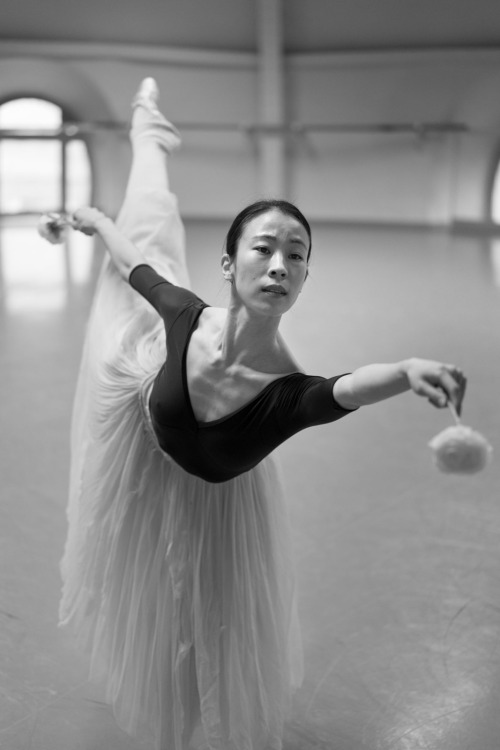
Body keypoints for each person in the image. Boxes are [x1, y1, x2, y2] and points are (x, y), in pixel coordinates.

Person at [59, 78, 466, 750]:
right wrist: (96, 222)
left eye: (297, 255)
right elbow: (137, 264)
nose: (280, 264)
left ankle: (147, 143)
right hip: (140, 416)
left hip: (212, 499)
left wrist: (404, 370)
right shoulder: (187, 314)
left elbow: (342, 390)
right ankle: (147, 134)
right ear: (230, 262)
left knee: (199, 624)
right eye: (264, 248)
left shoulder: (286, 394)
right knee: (146, 233)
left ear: (306, 279)